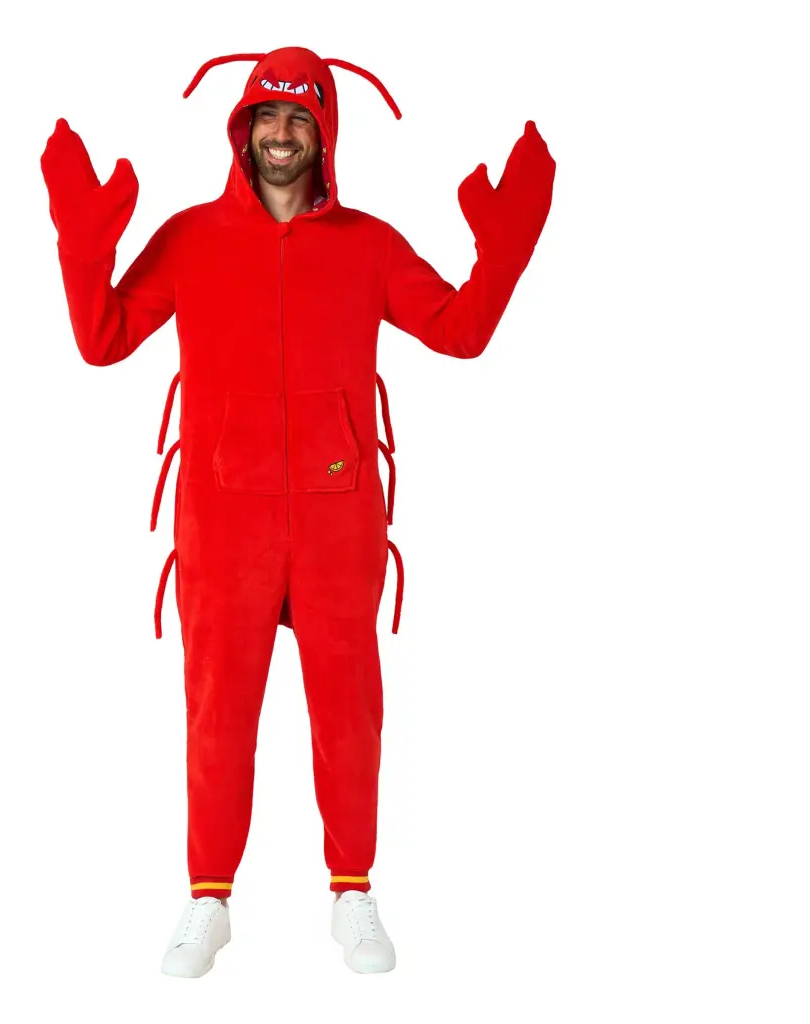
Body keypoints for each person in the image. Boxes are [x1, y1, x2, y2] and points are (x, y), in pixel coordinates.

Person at [40, 45, 555, 978]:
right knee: (216, 711)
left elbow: (461, 332)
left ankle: (352, 893)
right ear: (243, 128)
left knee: (349, 712)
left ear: (325, 132)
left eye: (300, 118)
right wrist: (83, 244)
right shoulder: (190, 238)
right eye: (267, 117)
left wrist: (506, 248)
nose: (282, 135)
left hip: (337, 516)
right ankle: (208, 899)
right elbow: (101, 338)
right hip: (222, 518)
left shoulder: (370, 245)